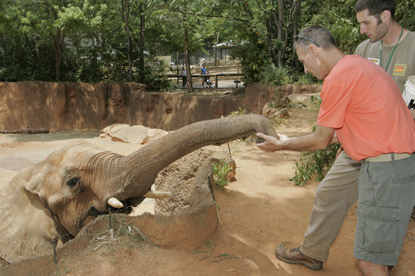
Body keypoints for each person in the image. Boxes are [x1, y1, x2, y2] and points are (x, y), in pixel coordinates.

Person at [256, 25, 415, 276]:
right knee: (330, 193)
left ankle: (380, 260)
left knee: (371, 262)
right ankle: (312, 252)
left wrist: (282, 146)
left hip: (387, 164)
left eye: (303, 62)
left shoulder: (339, 77)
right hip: (367, 152)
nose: (305, 70)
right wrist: (290, 138)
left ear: (313, 50)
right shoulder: (355, 64)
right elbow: (337, 133)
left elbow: (320, 140)